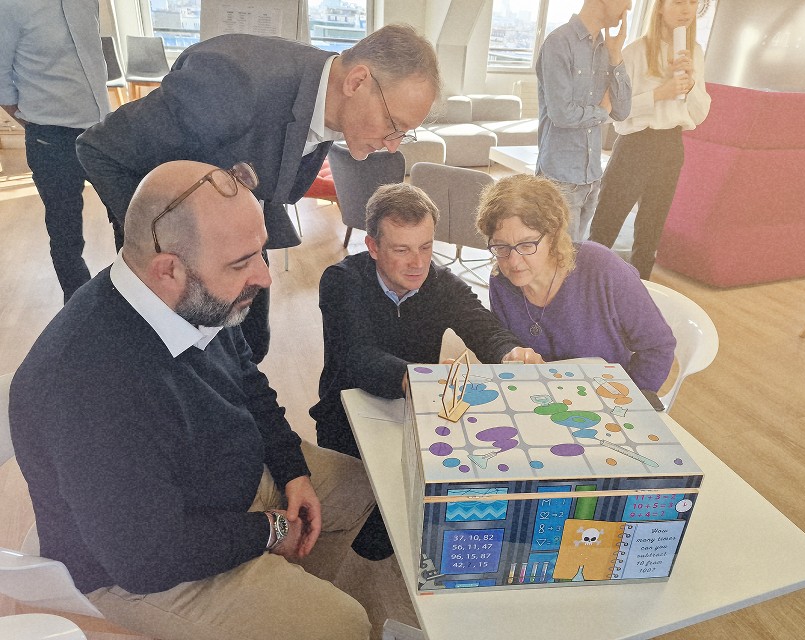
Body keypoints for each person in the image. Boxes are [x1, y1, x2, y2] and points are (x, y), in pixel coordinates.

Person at [9, 160, 375, 640]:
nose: (264, 277)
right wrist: (270, 531)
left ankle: (290, 589)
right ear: (169, 270)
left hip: (219, 490)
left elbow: (249, 382)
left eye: (259, 252)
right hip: (136, 564)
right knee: (344, 625)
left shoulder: (195, 298)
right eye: (242, 262)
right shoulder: (90, 385)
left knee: (361, 490)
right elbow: (146, 559)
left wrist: (293, 471)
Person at [77, 23, 440, 363]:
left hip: (235, 235)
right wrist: (154, 246)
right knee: (189, 363)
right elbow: (99, 149)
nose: (393, 147)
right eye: (394, 125)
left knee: (251, 347)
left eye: (404, 133)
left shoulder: (328, 98)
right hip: (176, 261)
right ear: (357, 81)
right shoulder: (233, 85)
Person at [311, 183, 542, 560]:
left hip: (416, 416)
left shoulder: (441, 283)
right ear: (372, 247)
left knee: (428, 523)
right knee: (370, 542)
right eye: (401, 250)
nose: (417, 263)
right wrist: (416, 379)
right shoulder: (341, 281)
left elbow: (480, 324)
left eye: (425, 247)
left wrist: (511, 351)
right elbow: (357, 354)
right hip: (346, 419)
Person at [475, 174, 676, 395]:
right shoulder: (500, 281)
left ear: (553, 235)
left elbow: (658, 347)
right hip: (541, 399)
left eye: (526, 244)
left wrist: (628, 399)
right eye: (501, 246)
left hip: (607, 397)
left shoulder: (602, 268)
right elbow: (507, 349)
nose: (513, 261)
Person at [589, 0, 711, 280]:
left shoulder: (695, 53)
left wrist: (691, 85)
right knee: (606, 223)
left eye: (693, 3)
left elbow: (700, 113)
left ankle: (638, 297)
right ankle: (588, 290)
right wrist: (660, 93)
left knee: (650, 231)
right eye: (679, 2)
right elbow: (616, 113)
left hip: (671, 146)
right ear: (660, 7)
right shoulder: (635, 52)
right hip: (635, 145)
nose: (686, 10)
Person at [0, 0, 110, 303]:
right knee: (65, 232)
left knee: (128, 215)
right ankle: (78, 307)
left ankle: (132, 298)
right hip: (50, 139)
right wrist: (37, 123)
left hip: (100, 132)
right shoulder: (11, 6)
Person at [536, 0, 633, 242]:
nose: (629, 7)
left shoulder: (607, 49)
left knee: (574, 263)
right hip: (559, 179)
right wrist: (601, 112)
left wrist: (616, 56)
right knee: (557, 264)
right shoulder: (558, 43)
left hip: (591, 177)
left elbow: (622, 111)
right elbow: (561, 114)